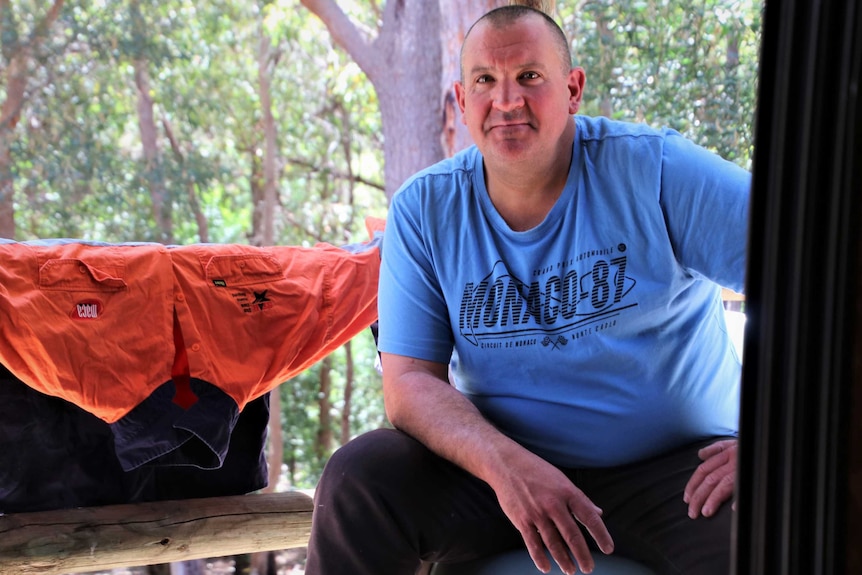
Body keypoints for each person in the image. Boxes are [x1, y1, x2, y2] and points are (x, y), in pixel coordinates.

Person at [305, 5, 750, 575]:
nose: (507, 101)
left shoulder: (656, 170)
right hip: (501, 470)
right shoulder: (424, 210)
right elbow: (409, 382)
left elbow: (819, 273)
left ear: (573, 89)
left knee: (775, 530)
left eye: (530, 77)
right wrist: (504, 465)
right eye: (485, 81)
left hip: (674, 471)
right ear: (462, 103)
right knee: (359, 478)